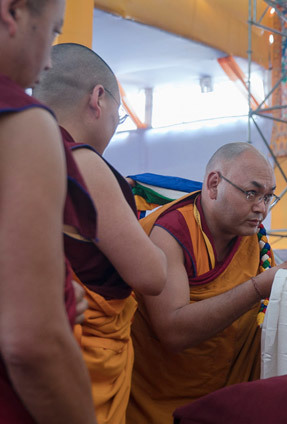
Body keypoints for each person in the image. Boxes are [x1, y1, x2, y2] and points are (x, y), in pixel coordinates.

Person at [128, 142, 287, 423]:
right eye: (251, 193)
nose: (261, 209)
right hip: (156, 402)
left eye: (268, 197)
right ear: (214, 184)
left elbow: (260, 324)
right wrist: (259, 288)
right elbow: (173, 332)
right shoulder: (170, 234)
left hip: (227, 399)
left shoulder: (255, 242)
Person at [33, 42, 168, 424]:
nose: (114, 126)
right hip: (76, 369)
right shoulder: (82, 164)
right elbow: (151, 276)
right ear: (98, 99)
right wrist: (149, 233)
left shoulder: (16, 148)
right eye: (119, 116)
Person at [0, 0, 97, 423]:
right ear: (13, 11)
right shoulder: (22, 123)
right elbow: (31, 343)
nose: (50, 57)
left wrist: (47, 286)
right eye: (54, 30)